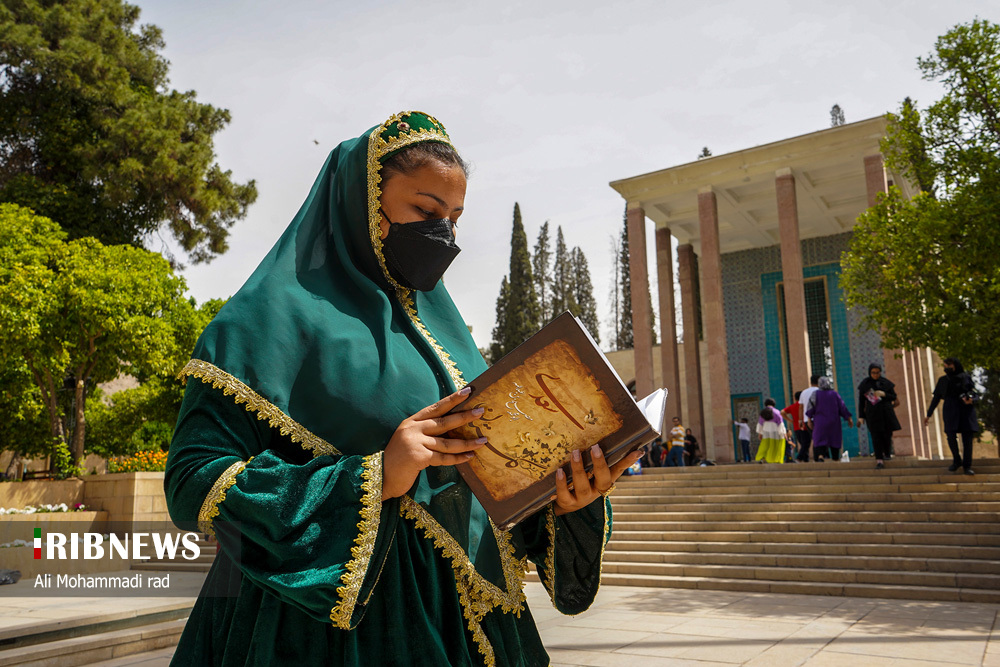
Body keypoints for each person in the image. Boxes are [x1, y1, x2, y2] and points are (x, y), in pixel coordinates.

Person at [163, 111, 640, 666]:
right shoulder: (262, 321)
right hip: (331, 630)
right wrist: (374, 476)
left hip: (474, 622)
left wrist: (565, 497)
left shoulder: (450, 336)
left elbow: (486, 479)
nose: (443, 234)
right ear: (361, 199)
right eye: (424, 210)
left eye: (454, 219)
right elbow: (194, 479)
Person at [924, 357, 979, 475]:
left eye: (950, 366)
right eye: (945, 366)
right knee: (950, 436)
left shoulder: (965, 377)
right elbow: (936, 398)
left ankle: (967, 466)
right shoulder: (943, 380)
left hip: (965, 410)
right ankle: (956, 460)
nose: (947, 368)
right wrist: (929, 414)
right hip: (950, 409)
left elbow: (974, 393)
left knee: (967, 439)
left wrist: (971, 400)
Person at [857, 363, 901, 471]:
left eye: (877, 373)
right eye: (873, 373)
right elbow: (861, 402)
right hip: (872, 415)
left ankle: (887, 453)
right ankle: (879, 459)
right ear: (870, 372)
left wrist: (884, 394)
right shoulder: (865, 384)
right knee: (876, 437)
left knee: (886, 435)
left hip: (886, 413)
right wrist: (861, 417)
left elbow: (894, 396)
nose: (875, 375)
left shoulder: (885, 383)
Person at [806, 377, 854, 462]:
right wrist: (848, 418)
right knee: (834, 438)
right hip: (834, 421)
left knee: (820, 438)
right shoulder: (834, 394)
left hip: (820, 422)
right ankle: (835, 457)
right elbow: (842, 407)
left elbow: (810, 408)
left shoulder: (815, 394)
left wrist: (809, 419)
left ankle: (820, 456)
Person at [755, 399, 786, 464]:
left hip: (766, 431)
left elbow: (760, 424)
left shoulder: (762, 412)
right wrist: (783, 433)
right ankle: (775, 459)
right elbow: (780, 423)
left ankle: (762, 458)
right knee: (775, 446)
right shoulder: (777, 412)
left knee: (765, 445)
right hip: (775, 431)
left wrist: (760, 433)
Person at [796, 377, 820, 462]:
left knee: (815, 438)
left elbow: (800, 407)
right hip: (819, 419)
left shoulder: (804, 392)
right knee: (819, 438)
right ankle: (819, 457)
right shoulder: (820, 391)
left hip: (806, 419)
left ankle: (819, 456)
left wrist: (800, 420)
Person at [781, 393, 804, 461]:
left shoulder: (792, 406)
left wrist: (790, 420)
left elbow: (782, 412)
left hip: (796, 428)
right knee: (805, 444)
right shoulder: (803, 405)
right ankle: (799, 458)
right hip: (804, 427)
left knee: (803, 443)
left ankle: (805, 458)